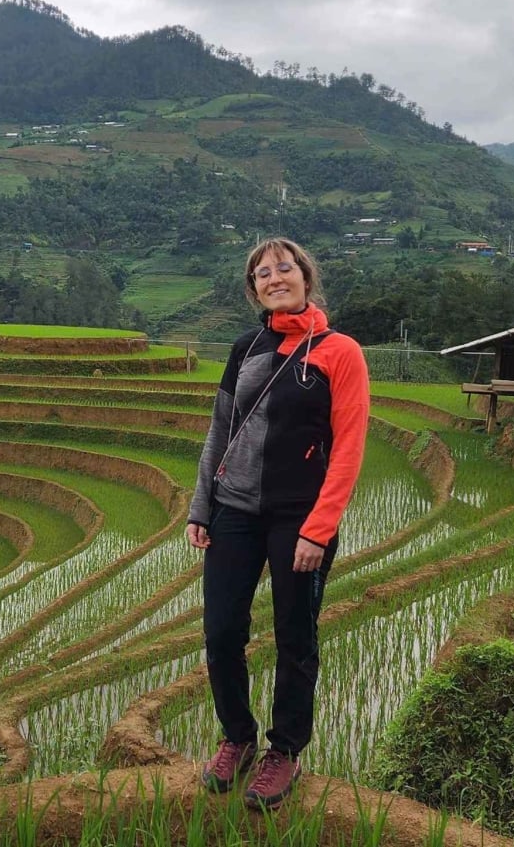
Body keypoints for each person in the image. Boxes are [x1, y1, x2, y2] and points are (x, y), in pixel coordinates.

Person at [185, 237, 369, 808]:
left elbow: (348, 448)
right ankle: (236, 737)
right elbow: (220, 431)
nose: (274, 277)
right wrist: (200, 506)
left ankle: (283, 751)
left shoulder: (340, 352)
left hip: (300, 518)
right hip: (234, 510)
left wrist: (320, 528)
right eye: (262, 274)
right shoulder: (245, 349)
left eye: (284, 268)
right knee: (221, 632)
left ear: (305, 278)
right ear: (254, 290)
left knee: (295, 636)